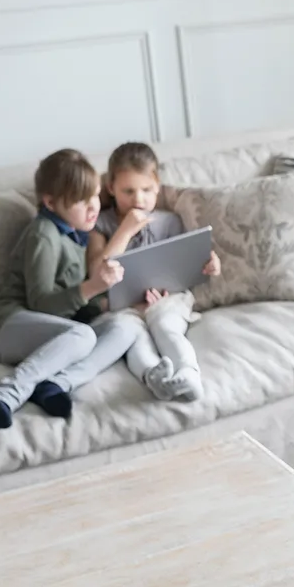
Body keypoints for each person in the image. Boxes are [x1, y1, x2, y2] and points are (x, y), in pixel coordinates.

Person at [0, 148, 144, 430]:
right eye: (80, 201)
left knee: (128, 327)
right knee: (83, 335)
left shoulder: (79, 233)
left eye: (96, 196)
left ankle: (56, 384)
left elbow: (72, 305)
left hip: (57, 329)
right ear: (50, 202)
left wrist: (111, 302)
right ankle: (2, 396)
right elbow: (42, 304)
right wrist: (92, 286)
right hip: (5, 327)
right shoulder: (43, 235)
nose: (93, 207)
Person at [86, 142, 219, 403]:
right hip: (124, 308)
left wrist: (210, 264)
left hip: (166, 301)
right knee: (133, 338)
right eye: (128, 191)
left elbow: (185, 267)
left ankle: (189, 374)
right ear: (111, 189)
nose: (138, 199)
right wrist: (125, 230)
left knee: (164, 324)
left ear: (157, 185)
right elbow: (95, 271)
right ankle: (155, 379)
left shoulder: (170, 221)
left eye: (146, 190)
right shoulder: (100, 224)